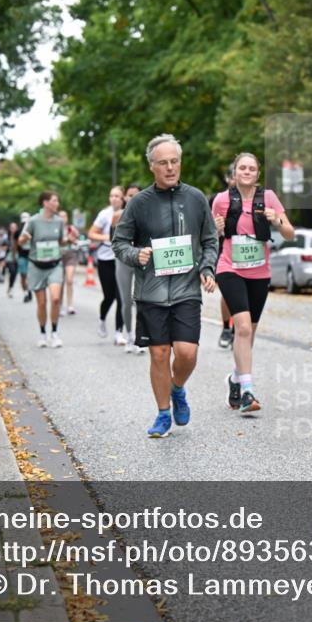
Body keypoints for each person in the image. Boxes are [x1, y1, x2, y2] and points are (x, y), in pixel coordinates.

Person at [112, 133, 218, 438]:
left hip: (186, 290)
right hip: (151, 291)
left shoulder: (196, 198)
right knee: (159, 354)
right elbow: (119, 243)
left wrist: (207, 267)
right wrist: (136, 253)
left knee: (186, 353)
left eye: (175, 161)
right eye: (163, 163)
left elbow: (210, 239)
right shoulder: (139, 204)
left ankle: (177, 388)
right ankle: (162, 414)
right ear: (152, 167)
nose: (170, 167)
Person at [212, 153, 295, 412]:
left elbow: (290, 233)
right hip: (229, 268)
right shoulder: (222, 200)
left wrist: (276, 219)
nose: (247, 172)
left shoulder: (268, 198)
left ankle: (235, 378)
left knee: (250, 334)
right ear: (235, 173)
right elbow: (211, 236)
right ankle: (247, 391)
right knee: (243, 328)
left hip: (259, 272)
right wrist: (216, 227)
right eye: (242, 168)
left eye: (252, 169)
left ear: (257, 174)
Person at [19, 192, 70, 348]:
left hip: (54, 265)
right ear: (45, 203)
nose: (57, 203)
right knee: (41, 303)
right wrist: (24, 238)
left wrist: (70, 239)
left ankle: (54, 333)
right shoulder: (33, 221)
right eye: (55, 200)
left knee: (55, 299)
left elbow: (61, 242)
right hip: (36, 266)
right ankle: (42, 333)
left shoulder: (59, 222)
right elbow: (21, 242)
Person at [88, 187, 127, 345]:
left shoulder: (128, 212)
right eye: (111, 196)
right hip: (105, 260)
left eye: (117, 196)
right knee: (109, 296)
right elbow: (91, 233)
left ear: (123, 198)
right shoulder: (104, 214)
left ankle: (119, 332)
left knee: (121, 297)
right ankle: (102, 318)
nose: (114, 199)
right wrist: (109, 237)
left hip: (122, 260)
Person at [113, 184, 144, 353]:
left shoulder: (147, 214)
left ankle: (139, 337)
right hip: (124, 261)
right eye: (129, 195)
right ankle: (129, 334)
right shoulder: (118, 215)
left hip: (141, 259)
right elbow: (116, 241)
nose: (132, 198)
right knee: (126, 300)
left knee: (141, 299)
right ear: (125, 197)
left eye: (136, 195)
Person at [216, 165, 236, 350]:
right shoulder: (220, 200)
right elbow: (209, 232)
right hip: (225, 252)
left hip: (248, 255)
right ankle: (226, 329)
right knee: (227, 294)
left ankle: (237, 329)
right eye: (234, 176)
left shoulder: (257, 199)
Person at [58, 210, 81, 316]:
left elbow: (77, 240)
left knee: (69, 280)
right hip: (58, 256)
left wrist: (76, 237)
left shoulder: (71, 228)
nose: (63, 218)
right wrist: (68, 239)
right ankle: (60, 305)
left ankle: (70, 305)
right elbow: (58, 241)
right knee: (60, 283)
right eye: (60, 216)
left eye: (64, 216)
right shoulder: (55, 228)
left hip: (70, 256)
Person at [9, 213, 32, 302]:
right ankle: (26, 293)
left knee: (30, 276)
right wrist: (14, 256)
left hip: (32, 257)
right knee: (23, 275)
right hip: (22, 256)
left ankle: (29, 289)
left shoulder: (33, 231)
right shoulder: (17, 233)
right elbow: (15, 245)